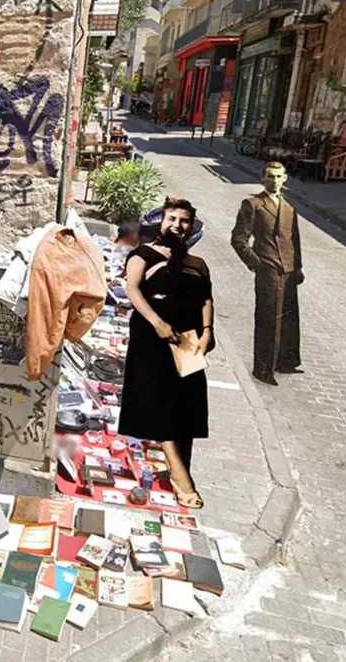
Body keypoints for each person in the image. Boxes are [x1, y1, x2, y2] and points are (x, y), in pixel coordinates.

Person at [117, 198, 213, 509]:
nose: (177, 225)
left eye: (184, 221)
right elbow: (132, 290)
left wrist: (207, 332)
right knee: (158, 403)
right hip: (152, 336)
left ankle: (179, 466)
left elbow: (206, 299)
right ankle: (180, 478)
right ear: (162, 221)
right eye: (172, 218)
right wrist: (157, 322)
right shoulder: (142, 255)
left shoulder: (198, 264)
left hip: (187, 340)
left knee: (186, 408)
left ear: (190, 227)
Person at [230, 161, 303, 386]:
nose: (274, 181)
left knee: (289, 318)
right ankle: (263, 369)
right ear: (263, 179)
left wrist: (298, 268)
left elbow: (295, 241)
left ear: (285, 179)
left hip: (288, 270)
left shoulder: (289, 208)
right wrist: (257, 264)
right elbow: (239, 239)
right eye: (270, 176)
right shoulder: (253, 204)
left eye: (279, 176)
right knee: (268, 319)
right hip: (268, 270)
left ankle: (286, 362)